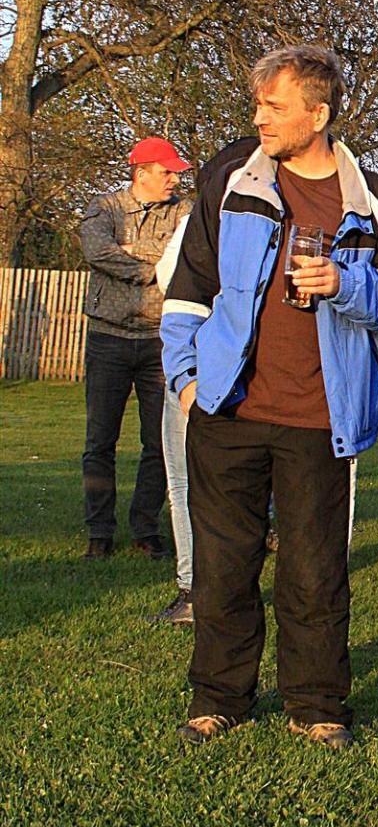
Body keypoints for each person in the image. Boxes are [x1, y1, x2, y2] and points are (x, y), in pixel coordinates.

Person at [160, 46, 378, 749]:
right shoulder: (230, 182)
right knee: (223, 569)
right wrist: (187, 381)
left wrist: (345, 283)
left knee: (314, 573)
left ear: (319, 114)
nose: (259, 119)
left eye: (274, 107)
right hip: (227, 412)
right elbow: (188, 289)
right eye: (258, 105)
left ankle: (316, 704)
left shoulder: (376, 202)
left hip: (319, 419)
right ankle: (218, 697)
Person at [148, 136, 260, 624]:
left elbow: (166, 276)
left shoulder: (199, 220)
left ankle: (196, 589)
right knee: (243, 485)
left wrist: (185, 377)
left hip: (200, 363)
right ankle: (231, 585)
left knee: (185, 480)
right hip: (249, 366)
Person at [79, 137, 192, 561]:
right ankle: (99, 531)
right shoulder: (105, 208)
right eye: (167, 172)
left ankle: (146, 528)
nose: (174, 179)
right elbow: (97, 252)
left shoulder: (183, 211)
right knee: (99, 441)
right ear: (141, 173)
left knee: (159, 443)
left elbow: (184, 255)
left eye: (175, 172)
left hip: (160, 339)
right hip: (108, 338)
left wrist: (133, 252)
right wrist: (155, 267)